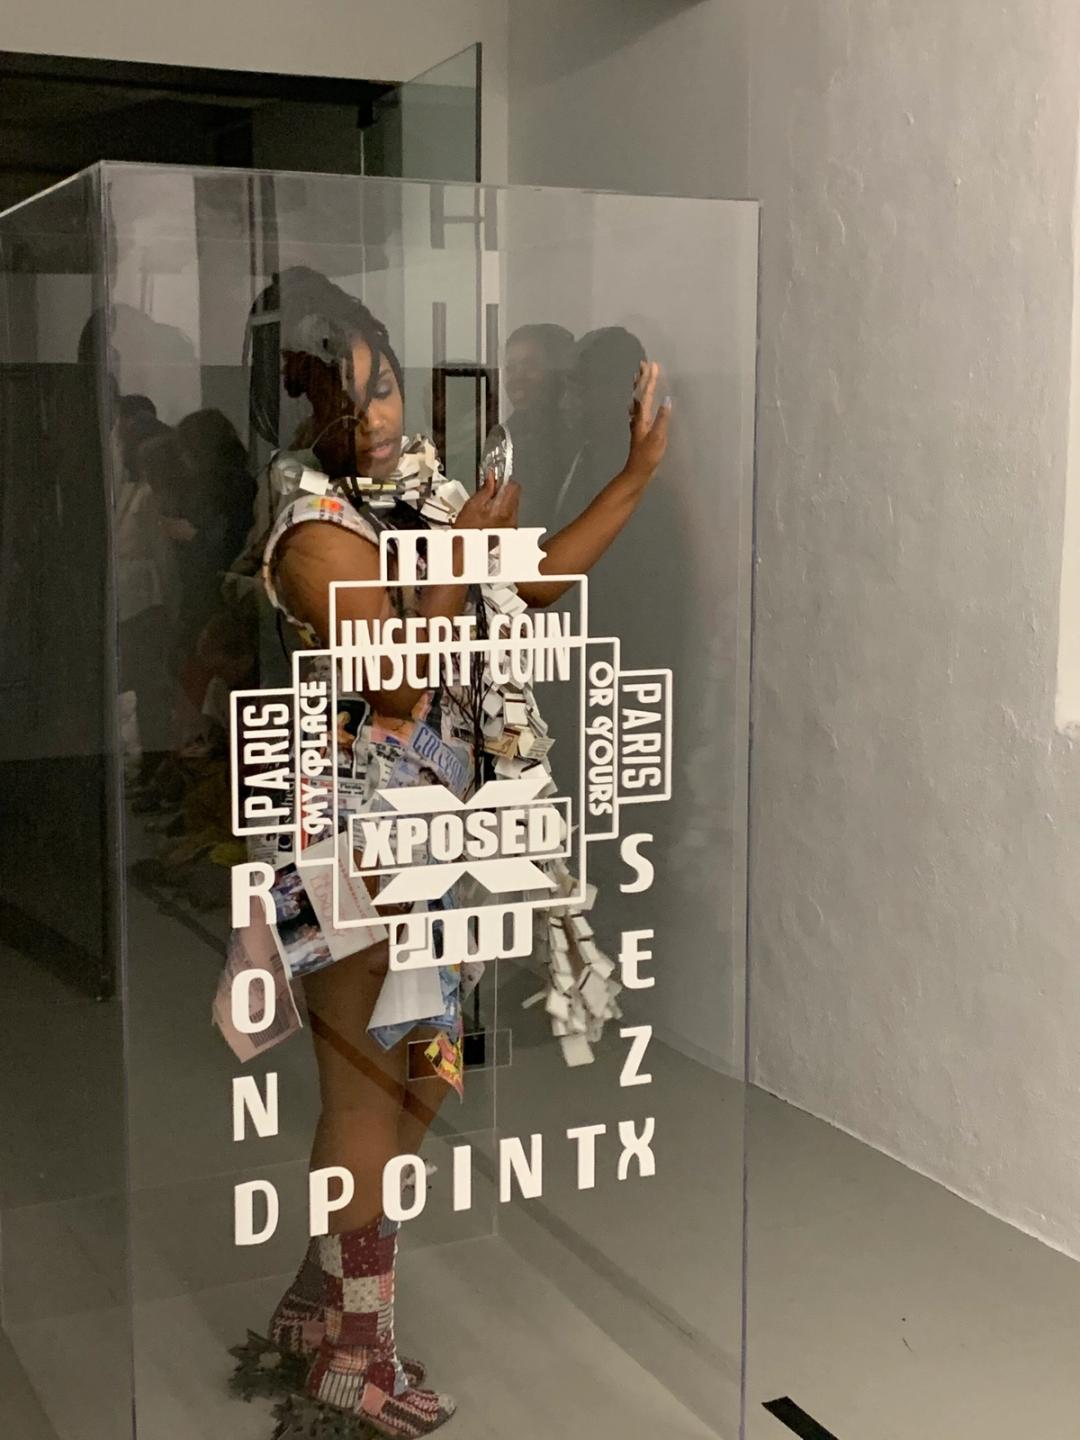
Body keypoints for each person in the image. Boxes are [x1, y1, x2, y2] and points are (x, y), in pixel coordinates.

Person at [226, 267, 669, 1439]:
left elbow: (533, 584)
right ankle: (355, 1357)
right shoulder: (313, 536)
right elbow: (394, 688)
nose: (375, 417)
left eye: (382, 386)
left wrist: (634, 475)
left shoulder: (424, 495)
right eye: (344, 399)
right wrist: (461, 564)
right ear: (299, 412)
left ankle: (321, 1299)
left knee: (427, 1073)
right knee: (366, 1091)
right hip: (354, 840)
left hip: (448, 834)